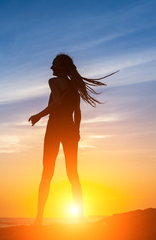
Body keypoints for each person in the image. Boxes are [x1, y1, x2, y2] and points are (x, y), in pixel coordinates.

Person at [29, 54, 117, 226]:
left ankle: (39, 219)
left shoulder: (53, 82)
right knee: (73, 174)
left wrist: (39, 115)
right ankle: (80, 218)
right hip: (70, 129)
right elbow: (77, 111)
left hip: (54, 128)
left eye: (54, 64)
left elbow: (57, 103)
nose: (51, 68)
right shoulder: (74, 86)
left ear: (61, 67)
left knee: (47, 172)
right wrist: (76, 131)